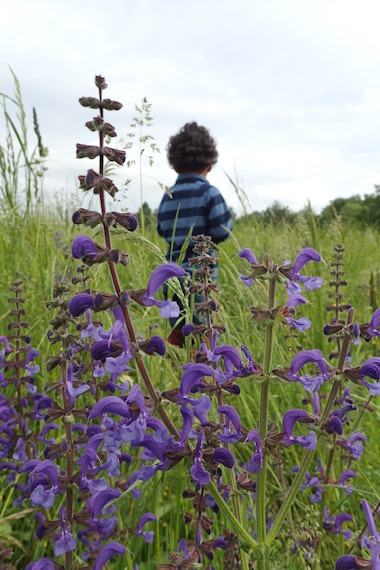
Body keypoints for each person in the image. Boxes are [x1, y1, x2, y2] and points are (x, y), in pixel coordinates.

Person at [157, 122, 233, 347]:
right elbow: (222, 229)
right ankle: (203, 377)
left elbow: (162, 229)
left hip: (170, 279)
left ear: (173, 164)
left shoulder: (168, 195)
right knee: (205, 335)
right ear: (210, 164)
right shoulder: (209, 193)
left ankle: (179, 374)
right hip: (201, 281)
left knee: (177, 337)